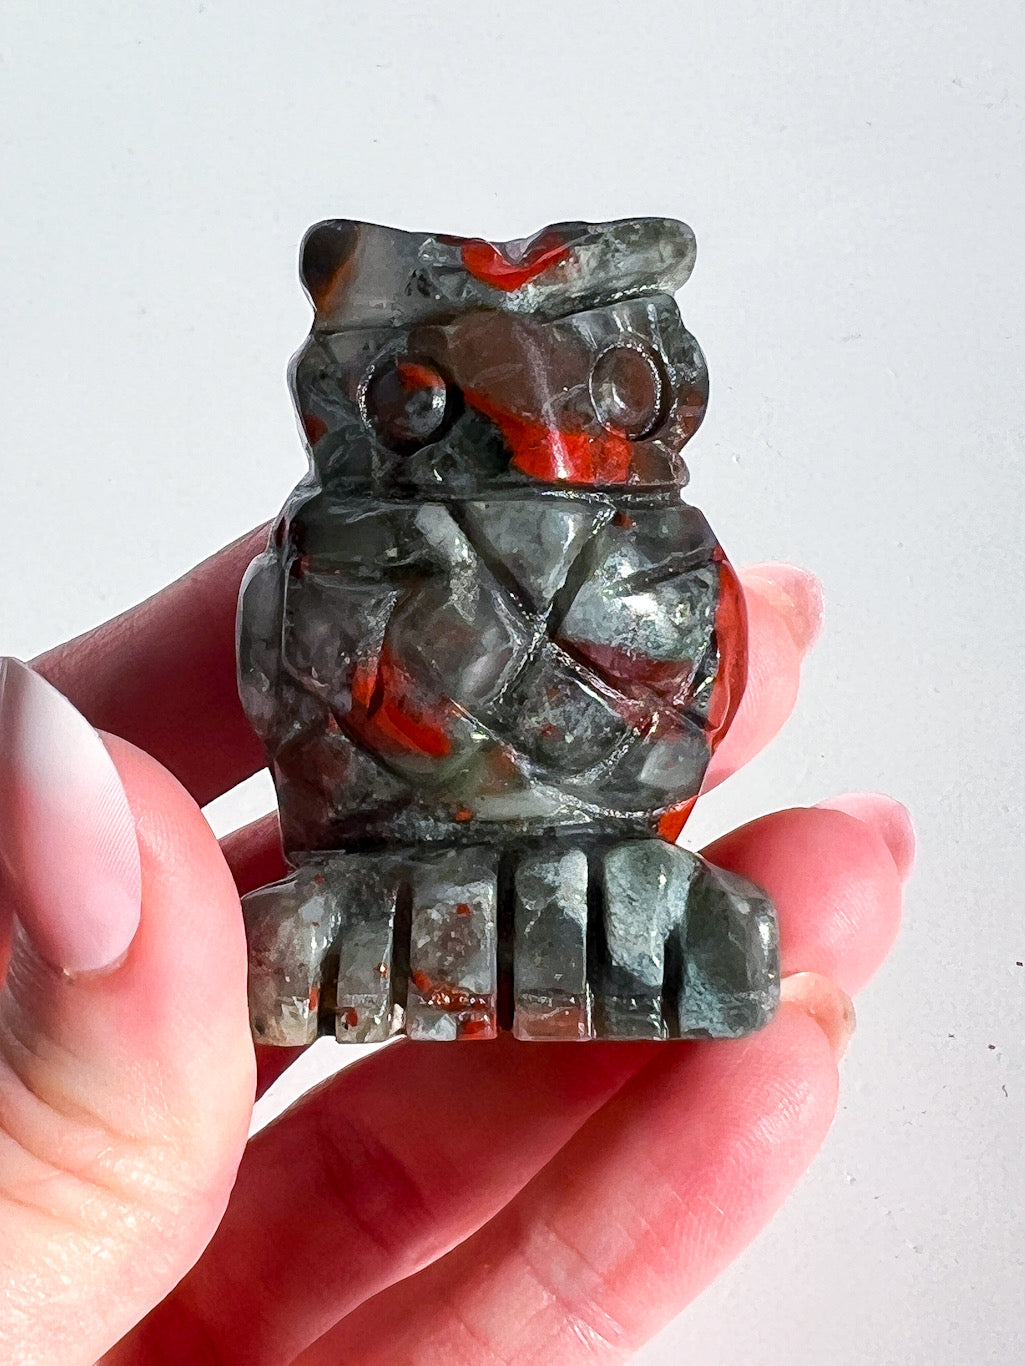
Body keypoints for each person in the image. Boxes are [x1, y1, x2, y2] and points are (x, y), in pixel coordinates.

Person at [0, 531, 912, 1364]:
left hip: (596, 865)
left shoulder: (659, 559)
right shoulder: (318, 561)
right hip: (363, 874)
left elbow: (673, 721)